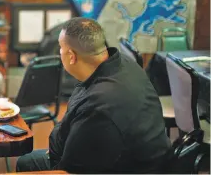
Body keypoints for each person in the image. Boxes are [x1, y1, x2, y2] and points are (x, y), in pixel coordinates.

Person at [16, 18, 171, 173]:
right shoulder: (125, 63)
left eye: (60, 48)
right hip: (140, 159)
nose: (60, 52)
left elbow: (68, 169)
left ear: (71, 56)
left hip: (131, 169)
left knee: (27, 163)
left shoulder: (99, 106)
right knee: (28, 160)